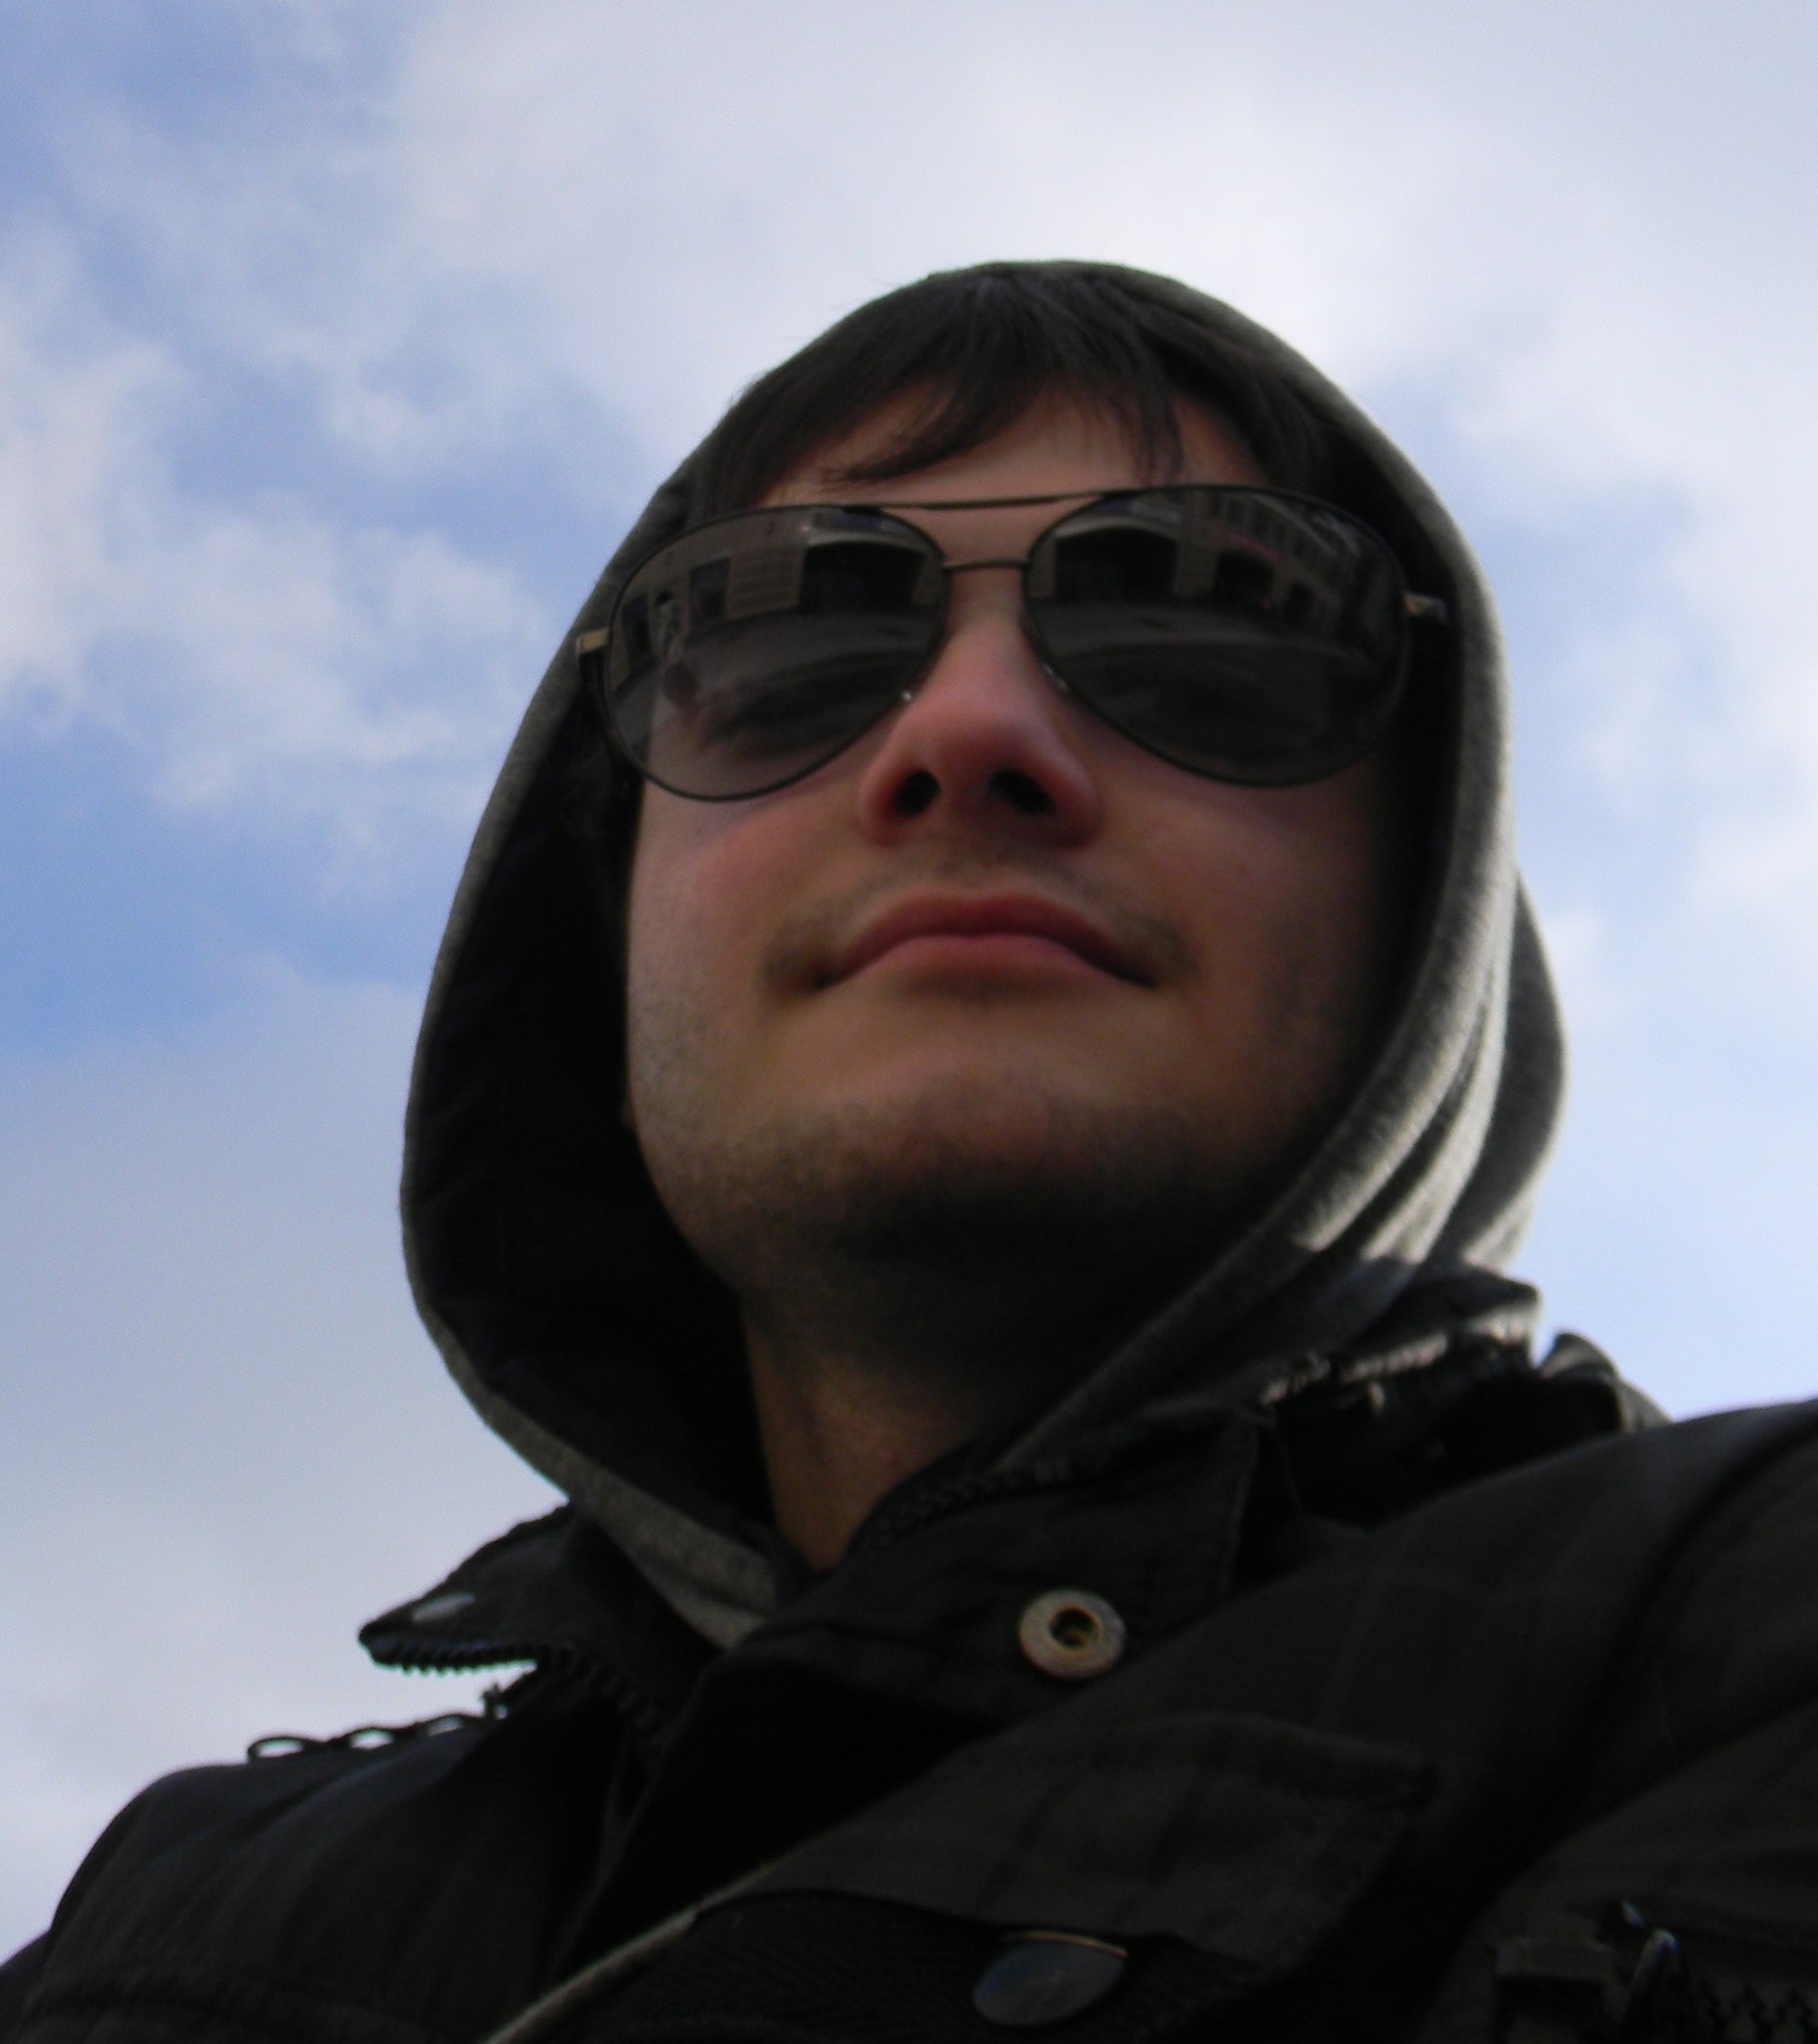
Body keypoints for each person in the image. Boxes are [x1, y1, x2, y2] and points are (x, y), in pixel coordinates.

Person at [6, 261, 1818, 2044]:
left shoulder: (1756, 1640)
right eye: (781, 639)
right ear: (603, 980)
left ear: (1429, 939)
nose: (965, 731)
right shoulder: (164, 1925)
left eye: (1207, 617)